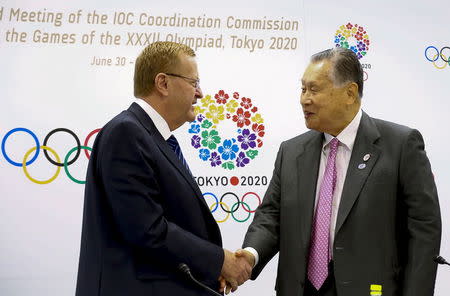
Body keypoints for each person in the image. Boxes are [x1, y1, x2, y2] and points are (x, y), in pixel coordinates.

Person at [238, 47, 442, 296]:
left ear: (349, 93)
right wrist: (249, 256)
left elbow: (424, 230)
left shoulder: (400, 145)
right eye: (302, 89)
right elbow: (271, 216)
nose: (304, 99)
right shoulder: (291, 152)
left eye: (314, 89)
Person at [75, 41, 251, 296]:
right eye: (194, 82)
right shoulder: (127, 133)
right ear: (163, 83)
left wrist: (211, 269)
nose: (200, 93)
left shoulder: (154, 138)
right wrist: (219, 261)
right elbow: (148, 230)